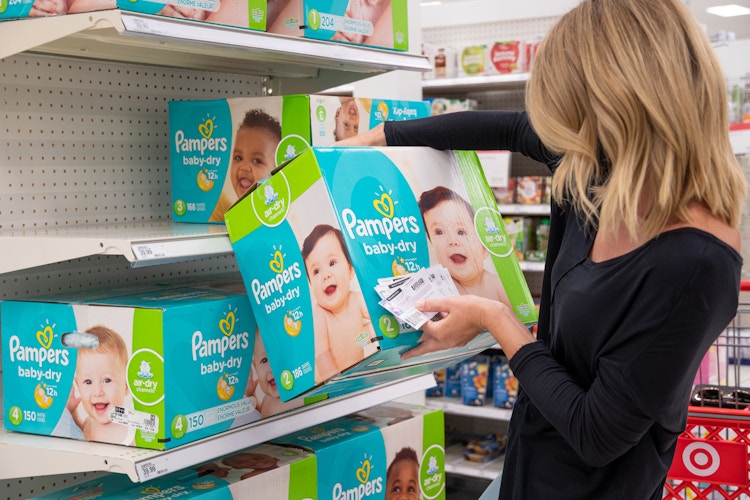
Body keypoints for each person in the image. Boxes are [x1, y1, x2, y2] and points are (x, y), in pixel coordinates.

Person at [333, 0, 746, 498]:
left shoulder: (695, 262)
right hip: (528, 457)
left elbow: (599, 435)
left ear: (614, 104)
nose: (555, 127)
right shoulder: (595, 165)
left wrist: (495, 320)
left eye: (565, 108)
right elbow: (504, 127)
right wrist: (380, 137)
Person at [301, 224, 376, 380]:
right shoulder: (319, 315)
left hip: (357, 374)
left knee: (372, 328)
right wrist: (337, 382)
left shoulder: (356, 299)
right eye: (316, 271)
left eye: (332, 263)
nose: (325, 275)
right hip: (331, 383)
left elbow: (377, 315)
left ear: (350, 270)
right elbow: (322, 357)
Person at [419, 185, 511, 306]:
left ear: (484, 248)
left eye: (461, 232)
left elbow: (520, 321)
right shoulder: (438, 291)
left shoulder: (499, 286)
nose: (452, 241)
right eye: (439, 232)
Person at [66, 325, 134, 446]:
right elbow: (80, 438)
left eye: (107, 380)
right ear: (78, 386)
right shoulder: (89, 422)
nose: (97, 392)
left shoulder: (132, 425)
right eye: (88, 382)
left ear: (127, 384)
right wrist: (72, 413)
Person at [209, 108, 281, 222]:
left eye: (257, 160)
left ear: (277, 169)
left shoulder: (278, 216)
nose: (244, 167)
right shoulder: (222, 208)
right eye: (238, 158)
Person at [245, 329, 303, 418]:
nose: (272, 368)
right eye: (264, 360)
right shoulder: (267, 399)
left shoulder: (300, 396)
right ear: (255, 367)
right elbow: (262, 416)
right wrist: (251, 396)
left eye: (280, 357)